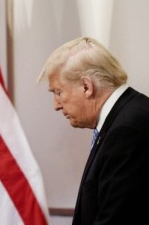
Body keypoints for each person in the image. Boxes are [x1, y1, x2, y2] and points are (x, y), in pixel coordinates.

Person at [38, 36, 149, 224]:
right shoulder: (123, 117)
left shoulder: (126, 130)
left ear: (86, 86)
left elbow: (116, 218)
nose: (56, 105)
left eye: (58, 92)